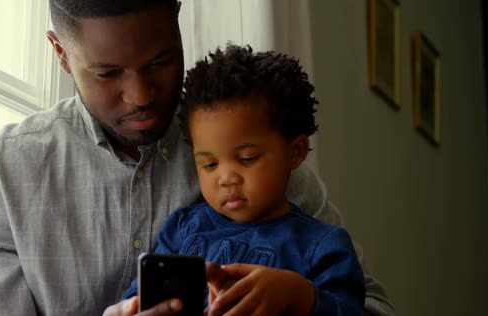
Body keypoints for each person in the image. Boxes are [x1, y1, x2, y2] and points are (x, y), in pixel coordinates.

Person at [0, 0, 394, 315]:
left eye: (160, 62)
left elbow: (370, 307)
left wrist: (302, 300)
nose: (140, 95)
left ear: (178, 21)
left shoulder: (262, 151)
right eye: (107, 74)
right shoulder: (4, 173)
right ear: (60, 53)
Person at [121, 44, 366, 315]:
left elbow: (349, 309)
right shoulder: (183, 229)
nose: (226, 178)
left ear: (296, 152)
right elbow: (138, 296)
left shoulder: (323, 245)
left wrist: (300, 295)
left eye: (247, 158)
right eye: (210, 164)